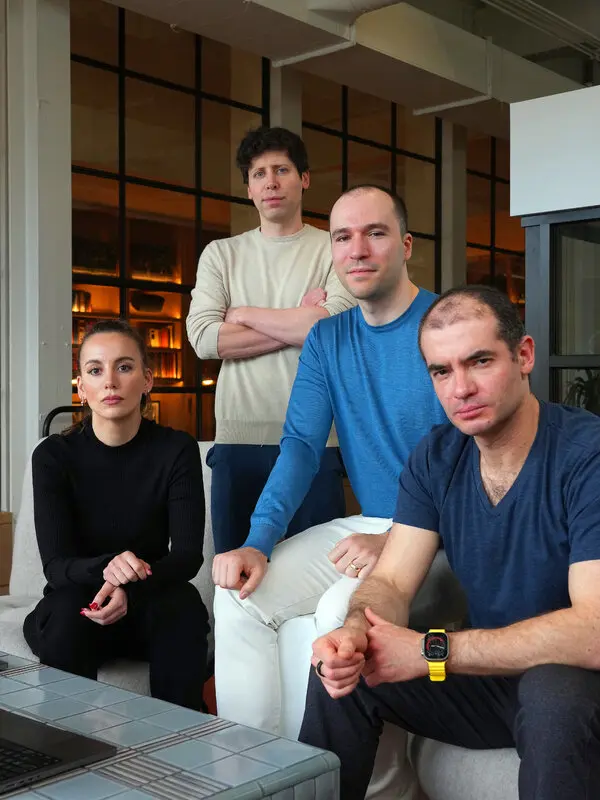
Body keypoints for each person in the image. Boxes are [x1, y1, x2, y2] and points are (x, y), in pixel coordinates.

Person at [300, 285, 600, 800]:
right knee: (343, 669)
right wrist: (355, 631)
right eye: (441, 371)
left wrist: (431, 651)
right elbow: (392, 582)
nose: (461, 388)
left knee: (553, 695)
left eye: (479, 361)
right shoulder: (437, 457)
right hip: (491, 679)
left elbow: (594, 630)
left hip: (576, 682)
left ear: (524, 355)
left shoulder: (586, 454)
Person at [213, 185, 454, 736]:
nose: (357, 250)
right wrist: (258, 541)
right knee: (240, 596)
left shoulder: (444, 327)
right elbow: (300, 446)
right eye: (343, 237)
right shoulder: (327, 338)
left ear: (406, 245)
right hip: (371, 525)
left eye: (375, 233)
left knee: (337, 617)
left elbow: (473, 462)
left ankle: (351, 774)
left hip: (445, 534)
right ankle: (257, 769)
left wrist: (400, 538)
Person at [24, 320, 210, 711]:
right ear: (81, 387)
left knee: (184, 606)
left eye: (124, 367)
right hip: (77, 604)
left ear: (147, 380)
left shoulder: (176, 449)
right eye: (95, 370)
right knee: (67, 613)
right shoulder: (53, 456)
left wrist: (129, 586)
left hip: (151, 599)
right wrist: (109, 568)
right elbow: (56, 567)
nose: (110, 382)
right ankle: (63, 742)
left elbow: (187, 557)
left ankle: (180, 740)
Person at [186, 126, 355, 554]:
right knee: (235, 575)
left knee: (319, 578)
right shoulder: (221, 254)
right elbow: (204, 338)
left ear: (304, 178)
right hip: (238, 439)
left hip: (318, 440)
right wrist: (299, 319)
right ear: (248, 187)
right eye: (259, 173)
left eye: (282, 170)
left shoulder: (334, 248)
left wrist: (242, 315)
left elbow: (331, 328)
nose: (271, 182)